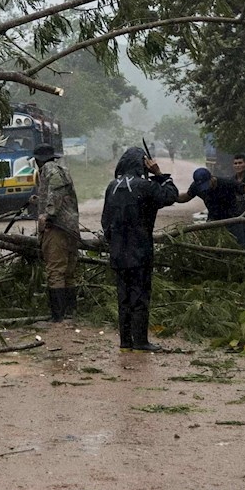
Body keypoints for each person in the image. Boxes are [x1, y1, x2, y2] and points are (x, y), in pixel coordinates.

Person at [100, 146, 179, 351]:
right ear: (142, 164)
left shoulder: (112, 187)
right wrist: (160, 174)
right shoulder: (145, 186)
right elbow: (171, 195)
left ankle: (125, 342)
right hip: (140, 251)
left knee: (123, 297)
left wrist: (114, 242)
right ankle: (141, 341)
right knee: (140, 296)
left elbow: (105, 222)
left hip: (118, 252)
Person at [31, 142, 80, 322]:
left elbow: (56, 194)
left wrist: (48, 215)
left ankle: (57, 315)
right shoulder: (61, 169)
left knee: (55, 271)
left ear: (38, 160)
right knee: (68, 271)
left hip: (57, 228)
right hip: (70, 227)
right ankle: (70, 311)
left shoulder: (49, 170)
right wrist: (40, 200)